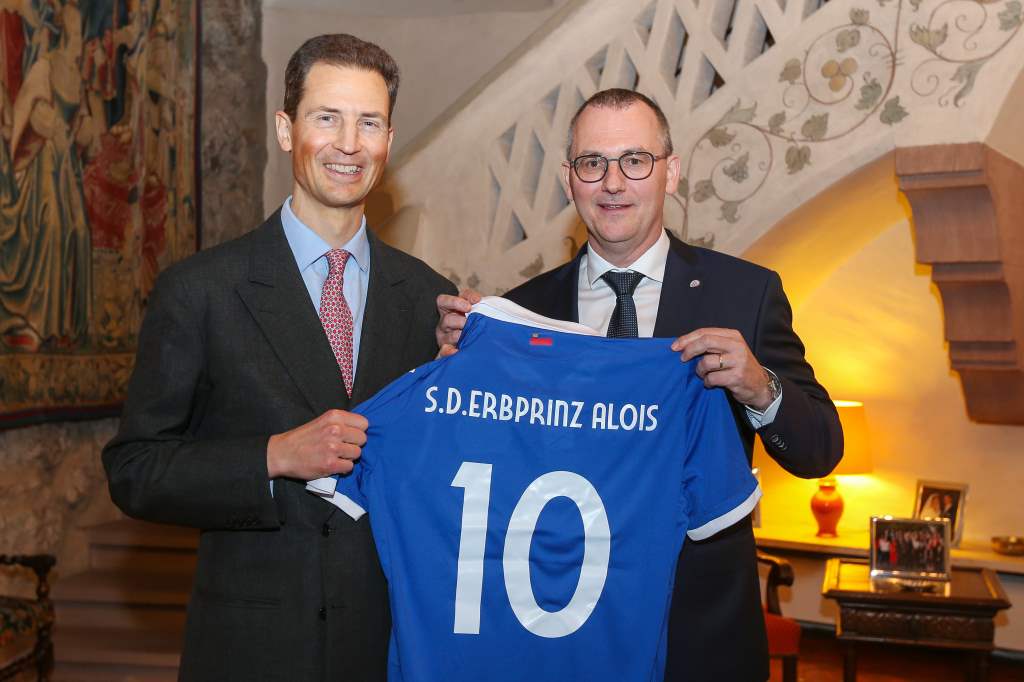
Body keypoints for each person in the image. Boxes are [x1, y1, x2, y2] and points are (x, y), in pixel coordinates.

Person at [436, 88, 843, 681]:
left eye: (635, 160)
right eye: (592, 163)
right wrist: (457, 368)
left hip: (699, 636)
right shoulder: (524, 310)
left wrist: (761, 388)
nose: (612, 183)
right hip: (558, 625)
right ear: (569, 179)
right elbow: (485, 465)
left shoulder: (746, 293)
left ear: (670, 173)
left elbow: (820, 450)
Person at [103, 34, 455, 681]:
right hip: (252, 648)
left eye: (368, 123)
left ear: (388, 139)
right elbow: (135, 470)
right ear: (287, 130)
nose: (349, 144)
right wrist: (272, 457)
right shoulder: (201, 290)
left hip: (388, 646)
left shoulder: (429, 298)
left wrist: (472, 373)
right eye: (327, 118)